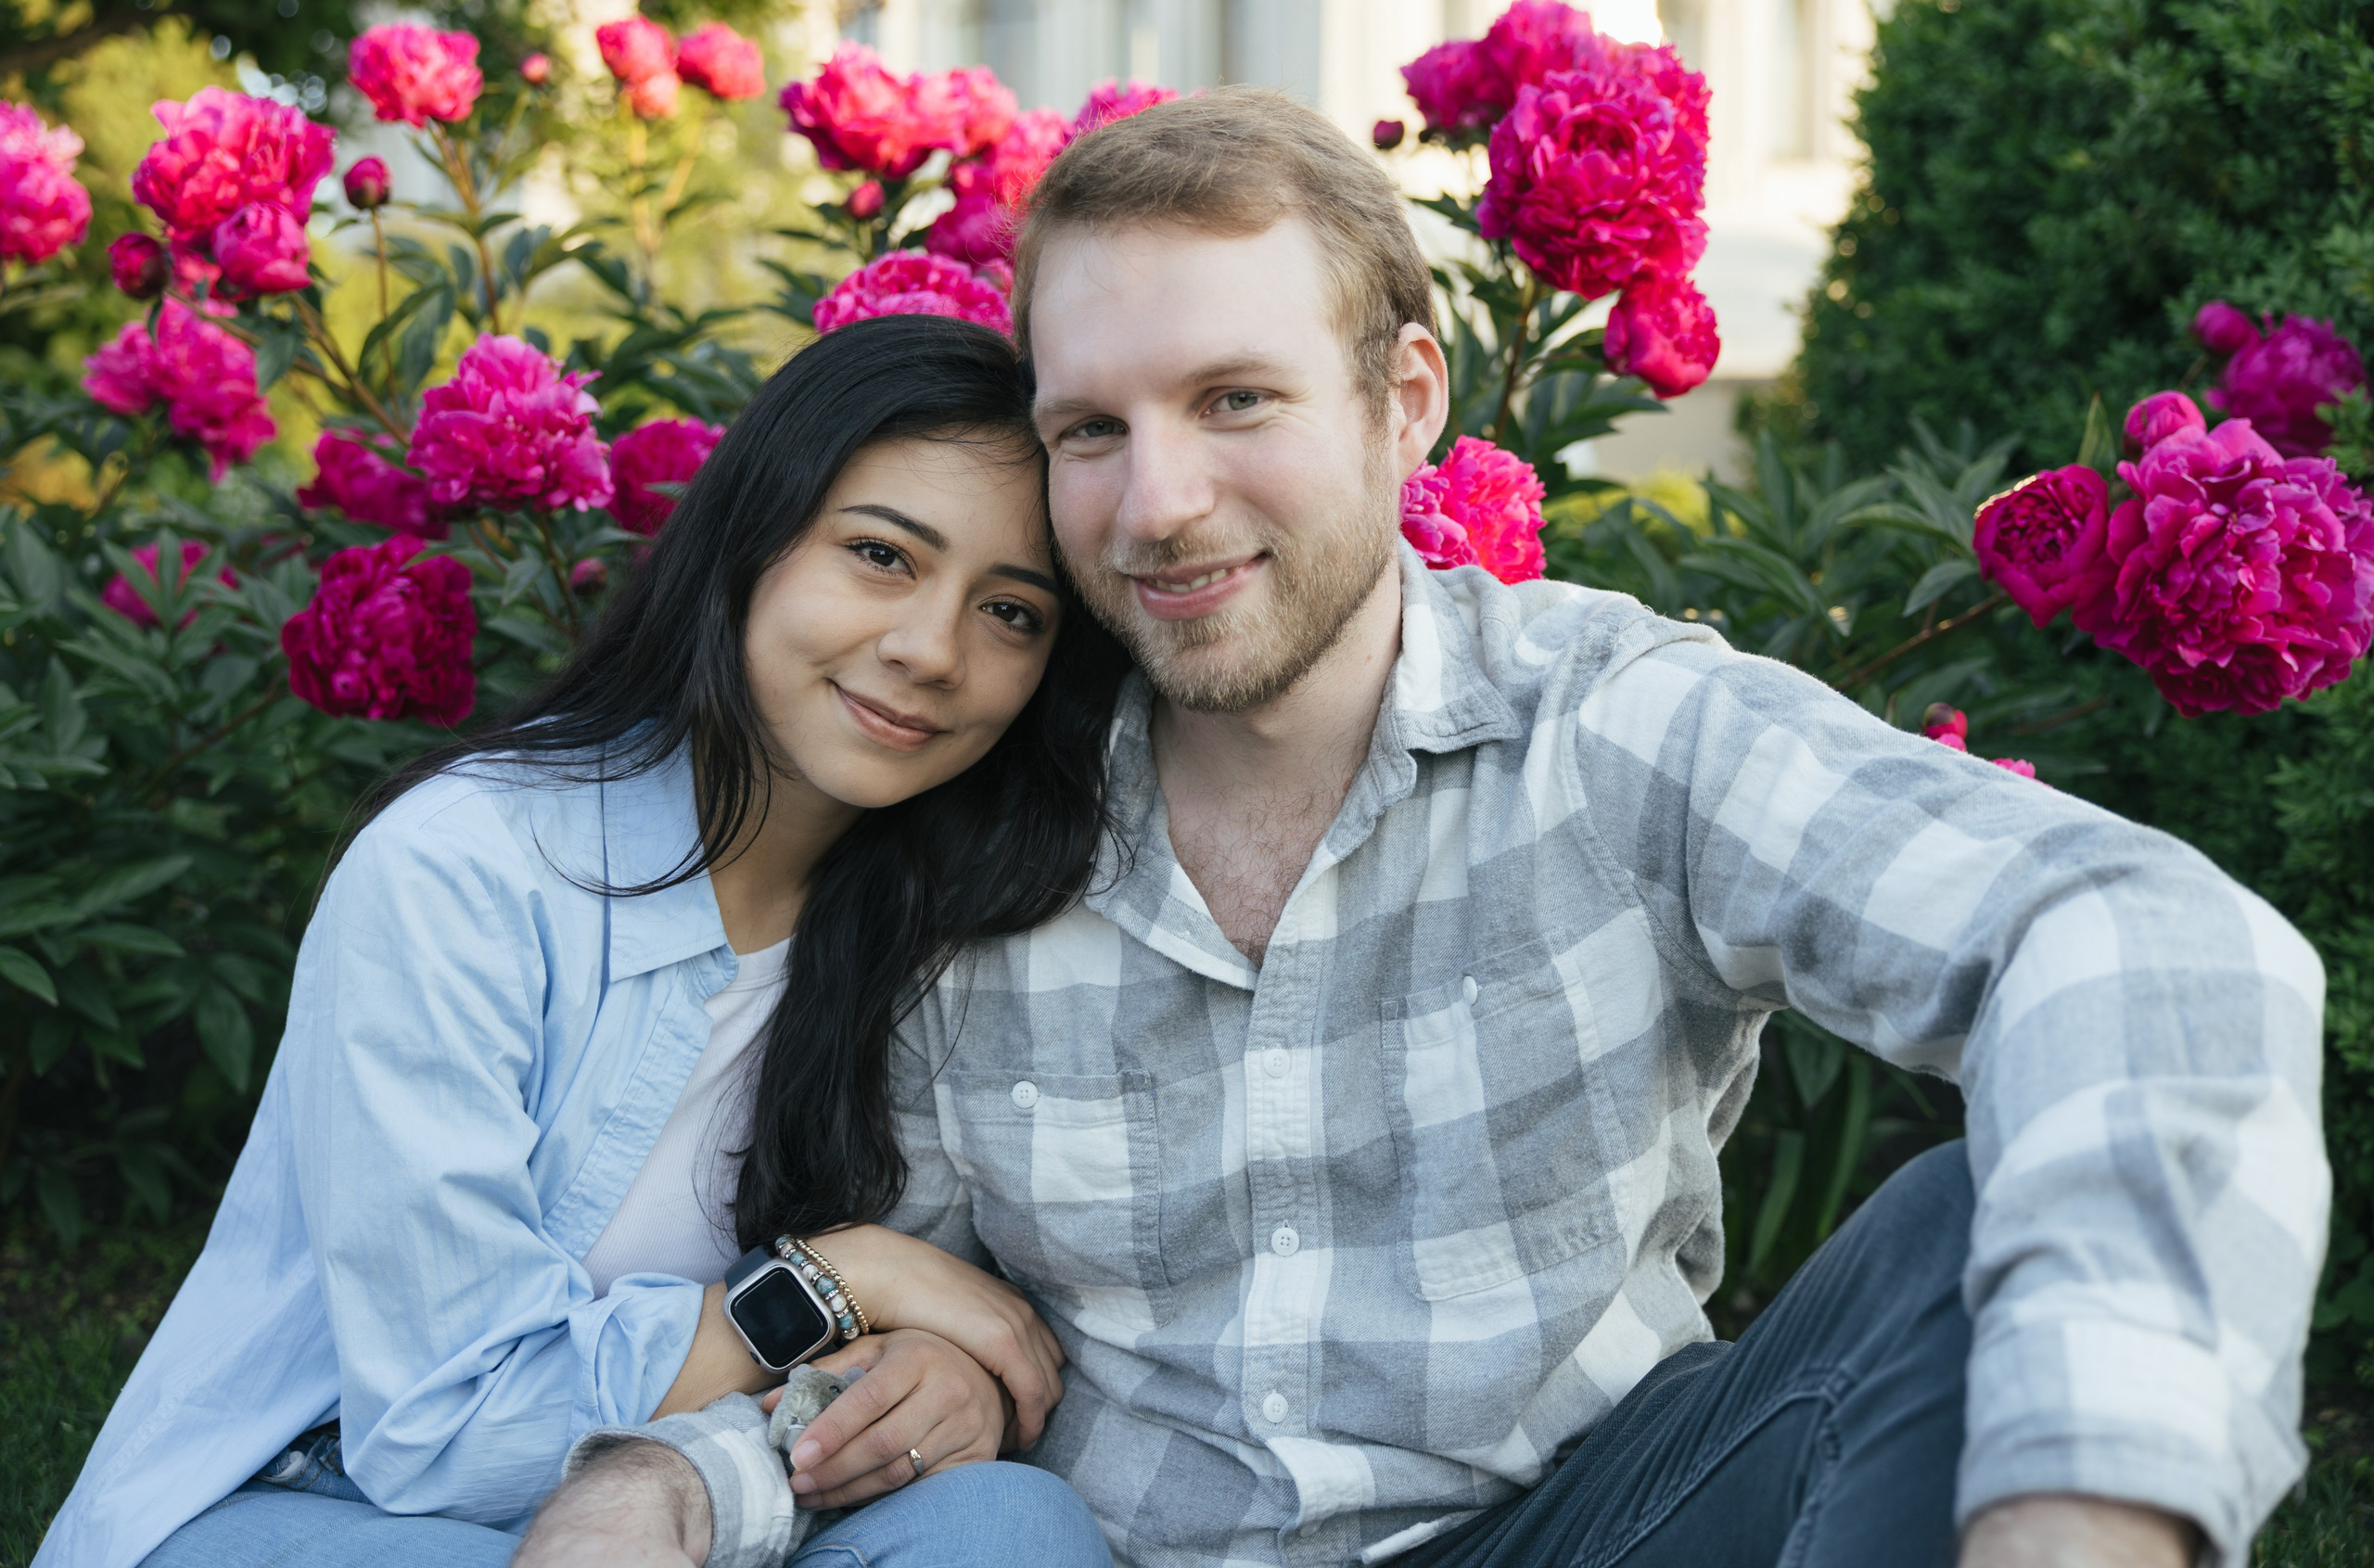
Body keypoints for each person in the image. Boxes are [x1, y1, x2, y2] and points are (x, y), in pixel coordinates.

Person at [531, 89, 2329, 1568]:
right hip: (1135, 1556)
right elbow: (928, 1351)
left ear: (1403, 405)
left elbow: (2140, 939)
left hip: (1593, 1529)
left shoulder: (1613, 726)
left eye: (1233, 399)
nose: (1157, 503)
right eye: (1090, 428)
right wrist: (681, 1477)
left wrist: (2075, 1513)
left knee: (1957, 1225)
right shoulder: (966, 832)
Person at [34, 316, 1124, 1568]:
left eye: (1012, 612)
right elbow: (444, 1429)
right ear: (751, 541)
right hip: (340, 1504)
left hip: (714, 1488)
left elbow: (909, 1351)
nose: (932, 651)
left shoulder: (953, 927)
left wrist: (935, 1377)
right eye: (881, 554)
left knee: (1010, 1523)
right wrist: (840, 1281)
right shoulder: (465, 871)